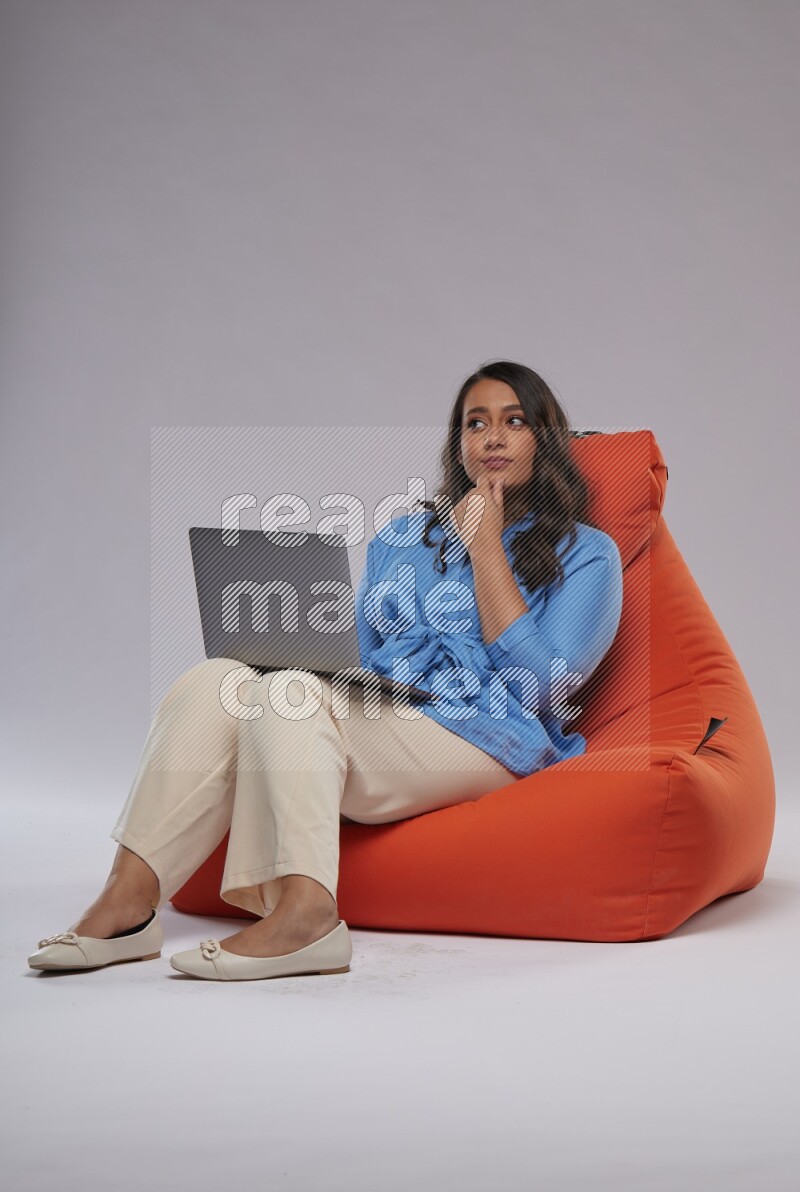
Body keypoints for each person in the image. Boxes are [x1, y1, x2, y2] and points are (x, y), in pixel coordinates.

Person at [27, 360, 623, 982]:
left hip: (494, 737)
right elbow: (358, 656)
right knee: (217, 681)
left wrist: (486, 547)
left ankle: (306, 917)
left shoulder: (587, 552)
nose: (493, 438)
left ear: (545, 440)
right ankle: (128, 902)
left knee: (291, 694)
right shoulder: (403, 538)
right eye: (477, 423)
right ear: (459, 443)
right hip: (394, 715)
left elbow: (547, 681)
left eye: (515, 422)